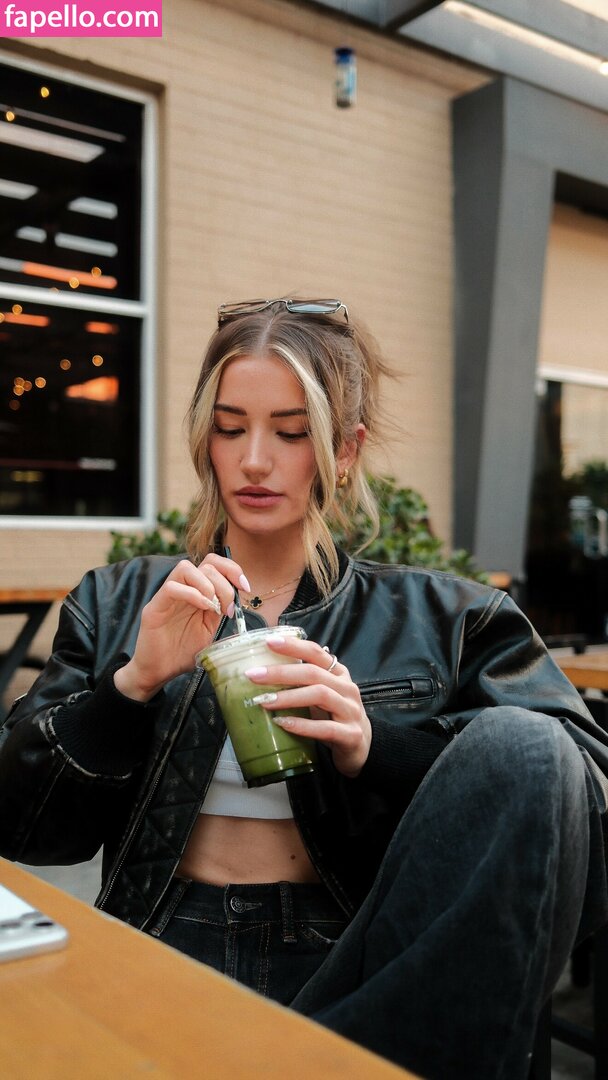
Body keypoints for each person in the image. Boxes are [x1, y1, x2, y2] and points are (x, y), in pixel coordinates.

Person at [1, 296, 607, 1079]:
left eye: (290, 433)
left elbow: (577, 810)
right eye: (230, 428)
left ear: (344, 450)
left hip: (361, 953)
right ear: (205, 439)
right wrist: (132, 684)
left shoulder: (451, 618)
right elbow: (22, 827)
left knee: (530, 744)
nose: (255, 460)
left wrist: (375, 748)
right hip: (164, 943)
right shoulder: (122, 602)